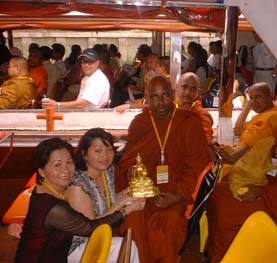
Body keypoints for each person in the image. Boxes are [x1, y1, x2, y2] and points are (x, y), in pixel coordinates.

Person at [206, 84, 277, 262]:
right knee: (218, 193)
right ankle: (219, 254)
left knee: (227, 213)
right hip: (269, 185)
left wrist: (262, 192)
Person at [115, 75, 211, 263]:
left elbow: (197, 165)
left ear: (173, 94)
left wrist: (179, 194)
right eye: (155, 97)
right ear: (147, 98)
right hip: (144, 194)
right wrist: (132, 176)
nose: (160, 103)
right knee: (132, 221)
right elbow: (127, 162)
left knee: (170, 222)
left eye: (165, 95)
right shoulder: (140, 123)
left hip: (174, 191)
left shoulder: (189, 122)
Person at [15, 138, 145, 263]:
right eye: (57, 165)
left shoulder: (48, 190)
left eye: (69, 162)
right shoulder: (52, 207)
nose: (65, 170)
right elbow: (91, 228)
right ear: (41, 171)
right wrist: (126, 210)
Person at [65, 128, 140, 262]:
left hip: (102, 236)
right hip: (78, 246)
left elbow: (106, 202)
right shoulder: (77, 183)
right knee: (126, 246)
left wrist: (130, 192)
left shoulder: (107, 171)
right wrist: (123, 205)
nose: (105, 156)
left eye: (109, 150)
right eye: (98, 151)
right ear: (84, 154)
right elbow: (91, 227)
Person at [42, 48, 110, 109]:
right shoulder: (88, 77)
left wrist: (57, 105)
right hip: (84, 115)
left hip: (91, 119)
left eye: (90, 61)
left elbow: (83, 104)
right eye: (83, 61)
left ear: (97, 63)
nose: (86, 65)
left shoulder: (98, 79)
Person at [176, 72, 213, 145]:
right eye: (184, 87)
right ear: (177, 87)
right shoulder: (169, 109)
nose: (188, 92)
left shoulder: (202, 115)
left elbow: (205, 143)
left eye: (193, 89)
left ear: (197, 92)